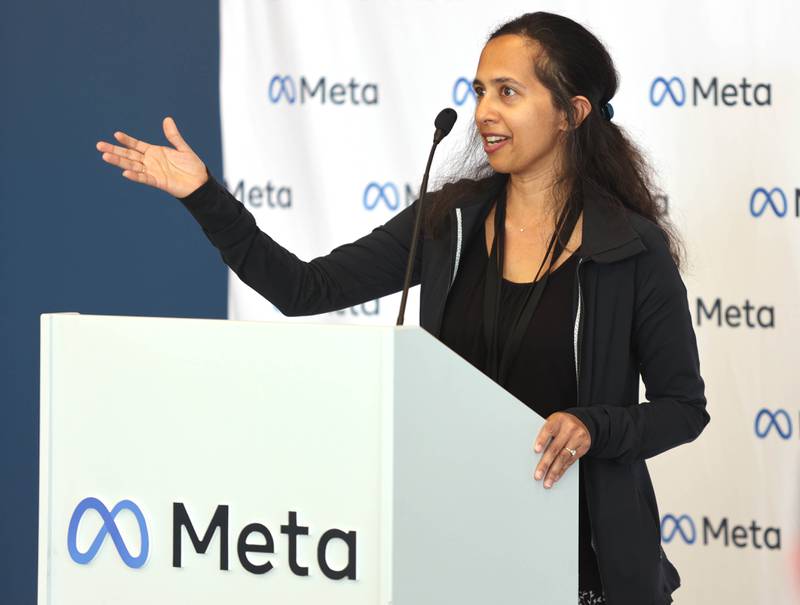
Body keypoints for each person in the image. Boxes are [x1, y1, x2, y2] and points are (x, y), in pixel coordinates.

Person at [96, 11, 709, 605]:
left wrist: (594, 427)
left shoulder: (629, 248)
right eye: (480, 91)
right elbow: (305, 290)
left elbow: (683, 409)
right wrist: (205, 197)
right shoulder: (448, 222)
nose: (485, 112)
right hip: (453, 541)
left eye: (509, 92)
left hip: (585, 557)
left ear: (571, 113)